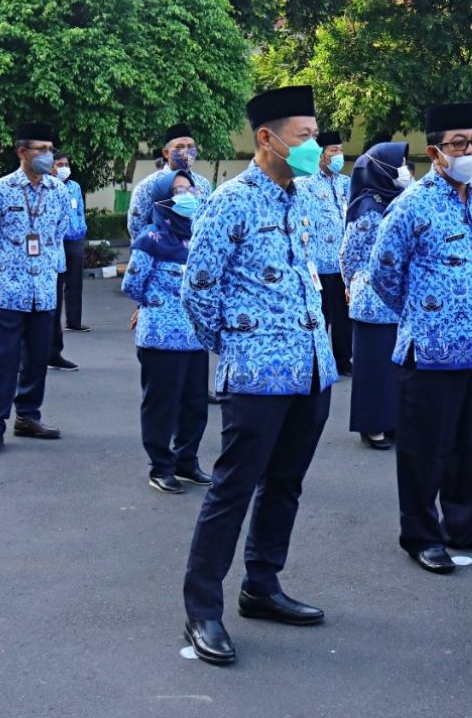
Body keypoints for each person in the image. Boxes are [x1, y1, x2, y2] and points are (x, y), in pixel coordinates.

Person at [179, 86, 337, 666]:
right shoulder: (231, 202)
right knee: (232, 489)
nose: (314, 146)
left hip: (312, 370)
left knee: (286, 484)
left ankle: (261, 585)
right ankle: (202, 609)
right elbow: (198, 288)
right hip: (258, 376)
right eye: (304, 135)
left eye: (315, 134)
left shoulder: (303, 196)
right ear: (266, 138)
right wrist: (238, 348)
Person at [369, 102, 472, 574]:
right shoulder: (412, 205)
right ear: (436, 152)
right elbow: (384, 272)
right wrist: (422, 316)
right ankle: (422, 536)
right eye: (458, 144)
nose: (470, 151)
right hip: (429, 352)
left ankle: (464, 524)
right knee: (424, 452)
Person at [0, 122, 70, 456]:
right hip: (9, 290)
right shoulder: (0, 190)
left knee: (37, 358)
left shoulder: (59, 191)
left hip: (44, 289)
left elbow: (59, 233)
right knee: (3, 358)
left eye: (50, 149)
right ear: (22, 152)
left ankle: (28, 416)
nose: (47, 156)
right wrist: (6, 266)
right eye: (40, 150)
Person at [121, 169, 212, 493]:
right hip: (160, 338)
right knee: (162, 405)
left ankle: (187, 461)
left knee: (195, 403)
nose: (185, 194)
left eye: (189, 188)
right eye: (177, 189)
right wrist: (158, 305)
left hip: (195, 337)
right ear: (162, 198)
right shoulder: (151, 238)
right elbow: (132, 283)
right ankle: (161, 466)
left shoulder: (199, 236)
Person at [340, 141, 410, 450]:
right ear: (382, 169)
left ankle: (392, 421)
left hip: (397, 298)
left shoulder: (399, 199)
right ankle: (372, 426)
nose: (407, 169)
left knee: (395, 366)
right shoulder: (368, 208)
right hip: (371, 298)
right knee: (373, 367)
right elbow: (348, 254)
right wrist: (351, 284)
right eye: (401, 163)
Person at [298, 130, 353, 374]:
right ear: (321, 155)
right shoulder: (307, 182)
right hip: (318, 264)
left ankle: (343, 360)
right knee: (320, 315)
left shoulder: (346, 182)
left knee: (343, 317)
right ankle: (318, 359)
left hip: (342, 263)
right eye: (334, 150)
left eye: (340, 150)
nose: (338, 155)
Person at [128, 124, 212, 239]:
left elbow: (207, 222)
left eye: (190, 147)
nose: (186, 152)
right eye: (179, 147)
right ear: (166, 153)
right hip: (161, 254)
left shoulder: (204, 184)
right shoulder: (147, 186)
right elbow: (136, 228)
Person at [47, 151, 85, 373]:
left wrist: (81, 228)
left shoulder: (74, 187)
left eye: (65, 164)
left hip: (75, 239)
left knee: (74, 283)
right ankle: (26, 357)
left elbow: (79, 210)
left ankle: (73, 323)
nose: (63, 167)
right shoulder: (47, 187)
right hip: (54, 247)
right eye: (59, 164)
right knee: (50, 298)